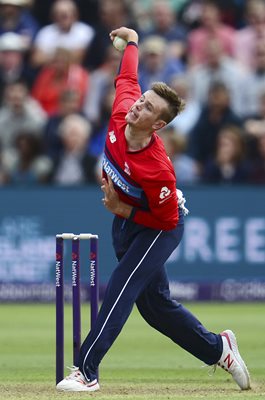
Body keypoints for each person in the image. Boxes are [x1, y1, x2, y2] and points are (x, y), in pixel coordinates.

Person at [56, 27, 251, 393]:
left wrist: (123, 210)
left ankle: (86, 370)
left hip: (158, 226)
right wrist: (132, 41)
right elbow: (127, 75)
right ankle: (218, 348)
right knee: (156, 308)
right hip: (126, 219)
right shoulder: (121, 111)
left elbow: (168, 220)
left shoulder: (158, 167)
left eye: (146, 107)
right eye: (141, 99)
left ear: (158, 125)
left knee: (120, 287)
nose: (137, 105)